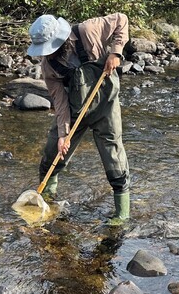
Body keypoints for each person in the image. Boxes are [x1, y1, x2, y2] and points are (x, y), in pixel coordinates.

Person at [27, 13, 130, 222]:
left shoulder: (88, 30)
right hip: (75, 110)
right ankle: (47, 196)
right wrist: (64, 135)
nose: (49, 53)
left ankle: (122, 214)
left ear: (61, 38)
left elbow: (122, 19)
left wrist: (115, 53)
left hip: (105, 105)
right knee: (52, 150)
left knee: (114, 158)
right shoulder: (49, 67)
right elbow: (60, 102)